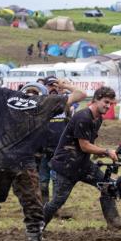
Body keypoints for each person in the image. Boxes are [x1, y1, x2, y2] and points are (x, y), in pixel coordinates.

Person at [0, 59, 85, 241]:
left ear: (22, 90)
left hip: (0, 159)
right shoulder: (45, 102)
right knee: (33, 209)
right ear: (40, 92)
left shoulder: (5, 95)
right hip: (24, 163)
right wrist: (64, 86)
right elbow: (81, 95)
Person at [42, 87, 121, 230]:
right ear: (95, 100)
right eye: (106, 102)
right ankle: (36, 227)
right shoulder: (83, 117)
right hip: (66, 165)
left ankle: (113, 221)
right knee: (57, 201)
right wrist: (106, 151)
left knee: (106, 185)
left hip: (82, 164)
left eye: (111, 104)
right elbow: (84, 146)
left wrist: (102, 153)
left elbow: (89, 144)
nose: (108, 106)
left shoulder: (97, 119)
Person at [37, 77, 74, 206]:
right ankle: (44, 205)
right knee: (42, 180)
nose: (53, 88)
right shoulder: (39, 104)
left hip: (59, 150)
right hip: (42, 149)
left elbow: (70, 125)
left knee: (56, 180)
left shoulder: (65, 106)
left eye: (56, 86)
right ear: (45, 87)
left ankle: (54, 207)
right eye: (50, 85)